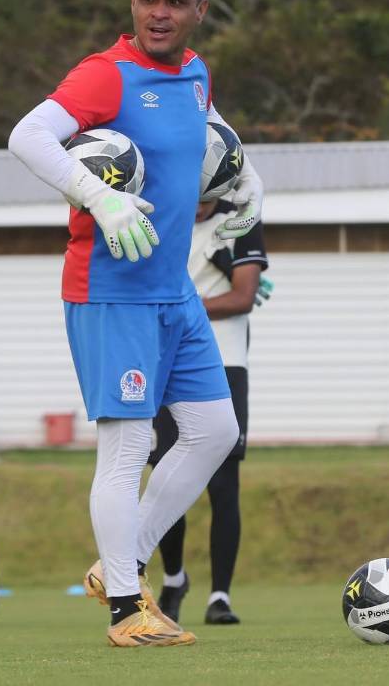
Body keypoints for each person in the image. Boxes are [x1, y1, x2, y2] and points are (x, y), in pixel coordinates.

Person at [7, 0, 264, 647]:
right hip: (111, 290)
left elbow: (203, 145)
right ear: (133, 3)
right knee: (127, 448)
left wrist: (245, 181)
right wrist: (97, 197)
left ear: (198, 11)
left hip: (173, 291)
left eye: (174, 0)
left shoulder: (195, 75)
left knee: (216, 432)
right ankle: (127, 608)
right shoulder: (105, 74)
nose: (159, 11)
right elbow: (27, 137)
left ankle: (116, 564)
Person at [153, 198, 269, 626]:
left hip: (225, 362)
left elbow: (242, 296)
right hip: (169, 363)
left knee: (223, 485)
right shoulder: (163, 218)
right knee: (167, 479)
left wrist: (181, 305)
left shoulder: (242, 222)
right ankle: (173, 578)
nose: (197, 200)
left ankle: (219, 595)